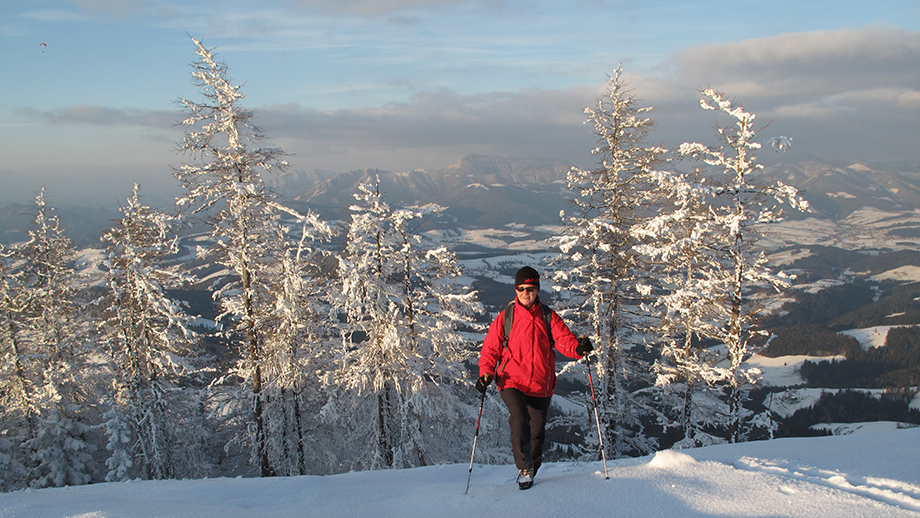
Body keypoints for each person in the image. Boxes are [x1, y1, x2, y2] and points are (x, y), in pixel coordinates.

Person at [476, 266, 592, 490]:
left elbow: (564, 341)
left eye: (530, 288)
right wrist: (486, 373)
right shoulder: (506, 317)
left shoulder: (548, 317)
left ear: (537, 290)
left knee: (537, 432)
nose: (525, 293)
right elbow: (491, 349)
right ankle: (524, 468)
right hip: (512, 380)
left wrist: (579, 348)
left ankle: (532, 467)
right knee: (519, 418)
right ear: (515, 289)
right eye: (521, 288)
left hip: (541, 383)